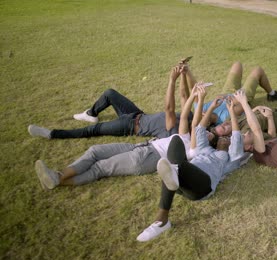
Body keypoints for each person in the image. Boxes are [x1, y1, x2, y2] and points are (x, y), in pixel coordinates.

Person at [136, 90, 264, 242]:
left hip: (202, 185)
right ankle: (171, 187)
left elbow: (236, 136)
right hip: (184, 179)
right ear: (215, 141)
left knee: (174, 167)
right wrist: (211, 107)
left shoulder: (232, 158)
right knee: (176, 140)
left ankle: (164, 210)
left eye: (228, 138)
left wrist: (232, 113)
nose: (225, 138)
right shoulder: (204, 149)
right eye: (222, 137)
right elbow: (199, 129)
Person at [33, 82, 209, 189]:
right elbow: (186, 106)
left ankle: (57, 177)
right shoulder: (185, 130)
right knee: (94, 150)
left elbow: (192, 122)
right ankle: (57, 177)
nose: (205, 131)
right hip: (142, 142)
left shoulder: (192, 146)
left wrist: (200, 101)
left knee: (100, 167)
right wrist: (194, 91)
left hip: (145, 155)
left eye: (207, 132)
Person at [28, 63, 191, 139]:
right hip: (136, 114)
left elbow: (169, 108)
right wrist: (183, 74)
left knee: (93, 130)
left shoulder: (177, 131)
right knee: (110, 93)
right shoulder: (188, 117)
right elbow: (184, 96)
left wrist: (171, 80)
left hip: (129, 126)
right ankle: (91, 113)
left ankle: (51, 134)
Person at [192, 61, 277, 126]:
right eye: (203, 115)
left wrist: (186, 71)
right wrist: (229, 98)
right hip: (240, 96)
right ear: (207, 122)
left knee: (237, 65)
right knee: (258, 70)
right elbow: (241, 105)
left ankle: (247, 85)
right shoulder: (224, 118)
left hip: (227, 92)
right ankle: (272, 94)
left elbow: (194, 91)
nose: (202, 112)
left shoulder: (200, 110)